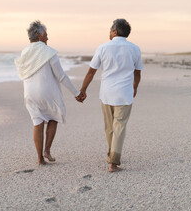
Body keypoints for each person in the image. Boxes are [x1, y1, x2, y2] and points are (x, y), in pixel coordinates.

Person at [77, 19, 143, 172]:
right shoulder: (135, 49)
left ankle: (111, 155)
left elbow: (91, 71)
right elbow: (137, 73)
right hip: (125, 93)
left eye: (110, 30)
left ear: (114, 31)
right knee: (119, 126)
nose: (109, 32)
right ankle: (113, 161)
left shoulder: (103, 47)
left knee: (109, 127)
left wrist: (83, 90)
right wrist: (135, 87)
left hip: (107, 93)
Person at [15, 20, 81, 165]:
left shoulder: (25, 51)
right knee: (53, 116)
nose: (47, 38)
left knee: (37, 122)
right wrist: (76, 92)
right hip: (47, 92)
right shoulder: (48, 51)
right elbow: (61, 76)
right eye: (46, 35)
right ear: (39, 35)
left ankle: (40, 159)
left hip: (29, 93)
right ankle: (47, 150)